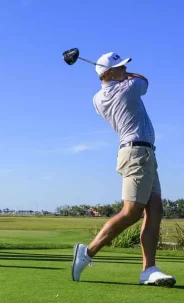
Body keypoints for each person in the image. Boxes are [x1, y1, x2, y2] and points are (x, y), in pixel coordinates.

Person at [72, 52, 176, 287]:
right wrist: (125, 75)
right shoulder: (128, 88)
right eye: (119, 67)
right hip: (136, 154)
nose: (125, 70)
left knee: (155, 209)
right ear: (107, 73)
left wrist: (116, 74)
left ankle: (148, 270)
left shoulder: (97, 98)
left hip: (144, 154)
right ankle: (86, 253)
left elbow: (122, 81)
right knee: (131, 212)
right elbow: (145, 81)